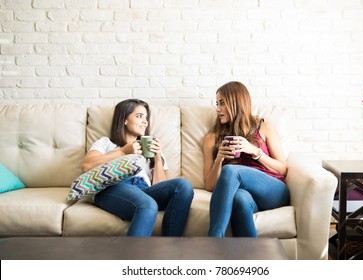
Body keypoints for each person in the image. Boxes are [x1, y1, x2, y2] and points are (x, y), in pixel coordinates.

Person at [82, 99, 194, 237]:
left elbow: (159, 186)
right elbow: (87, 166)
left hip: (143, 189)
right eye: (139, 116)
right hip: (114, 187)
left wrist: (158, 157)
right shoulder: (106, 143)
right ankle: (134, 257)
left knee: (183, 185)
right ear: (124, 120)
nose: (145, 122)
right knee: (148, 205)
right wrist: (123, 151)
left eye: (146, 118)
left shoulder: (150, 148)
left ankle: (169, 248)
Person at [203, 81, 290, 237]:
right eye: (217, 104)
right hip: (245, 196)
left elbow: (282, 169)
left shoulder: (264, 127)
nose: (217, 109)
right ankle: (251, 256)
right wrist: (219, 160)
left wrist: (255, 151)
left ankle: (214, 239)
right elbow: (209, 186)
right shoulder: (212, 138)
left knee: (231, 171)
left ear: (236, 102)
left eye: (222, 103)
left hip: (273, 191)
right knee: (239, 199)